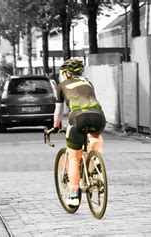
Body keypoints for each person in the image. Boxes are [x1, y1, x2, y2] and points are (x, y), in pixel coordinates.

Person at [51, 58, 106, 207]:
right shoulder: (88, 83)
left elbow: (58, 112)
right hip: (98, 116)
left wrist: (56, 126)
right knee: (95, 135)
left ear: (67, 73)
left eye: (62, 73)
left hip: (78, 118)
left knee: (74, 157)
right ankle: (95, 159)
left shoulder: (62, 86)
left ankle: (74, 195)